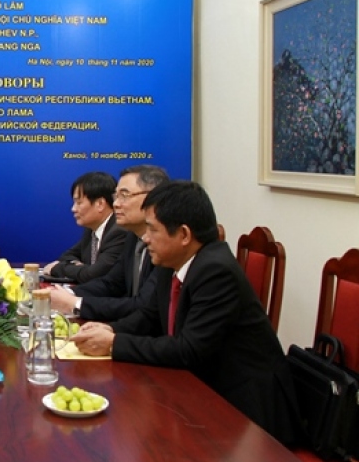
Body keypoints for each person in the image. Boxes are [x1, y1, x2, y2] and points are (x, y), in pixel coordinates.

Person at [71, 181, 301, 445]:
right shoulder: (171, 260)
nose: (145, 238)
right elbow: (148, 316)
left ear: (183, 235)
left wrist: (114, 343)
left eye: (152, 229)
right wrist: (110, 329)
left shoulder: (216, 271)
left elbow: (188, 349)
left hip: (244, 408)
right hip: (200, 386)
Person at [51, 165, 169, 320]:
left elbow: (143, 306)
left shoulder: (166, 245)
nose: (115, 204)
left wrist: (75, 303)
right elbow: (111, 283)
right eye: (116, 196)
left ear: (153, 197)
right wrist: (67, 294)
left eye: (124, 195)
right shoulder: (133, 237)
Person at [43, 172, 126, 283]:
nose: (73, 209)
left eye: (79, 203)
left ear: (100, 204)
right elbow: (67, 256)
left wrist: (57, 268)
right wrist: (80, 268)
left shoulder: (119, 231)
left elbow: (94, 275)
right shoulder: (92, 230)